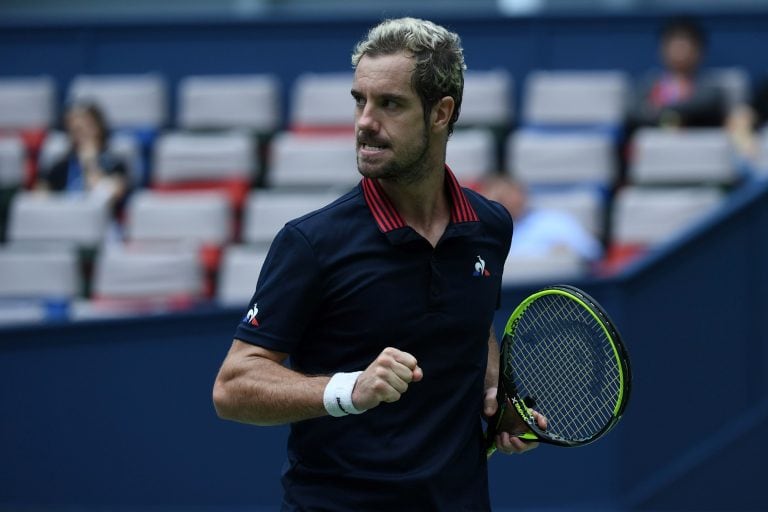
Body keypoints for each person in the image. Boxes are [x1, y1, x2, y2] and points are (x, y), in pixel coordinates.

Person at [213, 17, 546, 511]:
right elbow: (233, 385)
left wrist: (498, 393)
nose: (365, 121)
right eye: (359, 100)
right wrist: (349, 389)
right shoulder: (311, 243)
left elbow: (473, 328)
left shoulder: (490, 226)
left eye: (390, 103)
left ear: (441, 113)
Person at [627, 16, 726, 130]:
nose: (679, 53)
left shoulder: (710, 88)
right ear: (662, 50)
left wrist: (659, 110)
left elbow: (704, 108)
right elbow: (634, 113)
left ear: (699, 51)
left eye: (684, 47)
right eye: (674, 46)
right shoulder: (647, 85)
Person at [35, 100, 129, 216]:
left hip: (100, 225)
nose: (80, 134)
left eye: (85, 127)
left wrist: (89, 163)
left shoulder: (115, 164)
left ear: (98, 128)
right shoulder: (60, 166)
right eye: (74, 130)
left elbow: (104, 199)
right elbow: (38, 201)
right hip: (63, 221)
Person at [480, 175, 603, 263]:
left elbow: (592, 252)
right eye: (499, 197)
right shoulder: (480, 233)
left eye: (510, 194)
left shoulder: (555, 221)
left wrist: (565, 253)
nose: (507, 201)